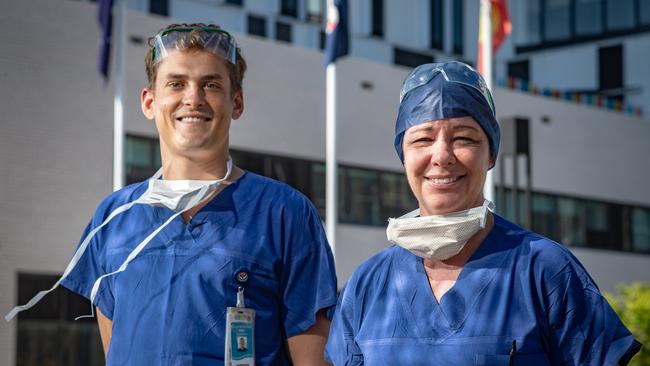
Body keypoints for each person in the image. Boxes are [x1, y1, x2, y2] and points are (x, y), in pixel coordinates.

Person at [10, 23, 337, 365]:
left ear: (236, 103)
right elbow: (118, 351)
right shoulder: (113, 218)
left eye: (210, 84)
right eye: (176, 83)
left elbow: (312, 359)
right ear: (150, 102)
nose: (193, 97)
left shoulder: (284, 213)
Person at [324, 61, 641, 365]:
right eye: (422, 139)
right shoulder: (367, 284)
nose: (442, 155)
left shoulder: (546, 271)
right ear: (403, 156)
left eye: (464, 138)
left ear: (490, 154)